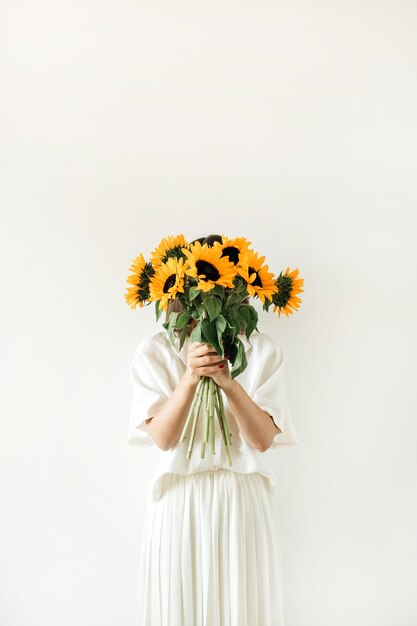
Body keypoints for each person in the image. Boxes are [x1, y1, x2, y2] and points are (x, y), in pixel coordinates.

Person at [127, 236, 299, 626]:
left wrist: (229, 382)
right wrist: (190, 376)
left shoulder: (262, 351)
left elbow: (261, 439)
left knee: (243, 607)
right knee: (179, 608)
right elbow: (164, 438)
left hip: (242, 496)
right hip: (178, 497)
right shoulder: (154, 352)